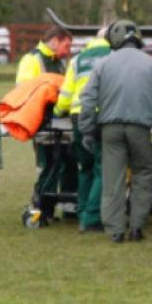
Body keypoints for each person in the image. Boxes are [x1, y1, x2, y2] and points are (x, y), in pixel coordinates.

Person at [78, 20, 152, 243]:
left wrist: (88, 130)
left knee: (113, 179)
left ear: (114, 40)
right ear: (138, 38)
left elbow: (88, 99)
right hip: (140, 127)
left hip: (109, 128)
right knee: (144, 173)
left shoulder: (102, 64)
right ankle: (137, 227)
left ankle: (115, 231)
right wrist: (151, 109)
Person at [53, 28, 111, 233]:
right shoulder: (112, 56)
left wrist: (58, 112)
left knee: (84, 167)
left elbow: (66, 93)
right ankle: (92, 218)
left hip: (78, 116)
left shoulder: (77, 60)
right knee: (102, 168)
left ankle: (82, 213)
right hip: (102, 115)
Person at [16, 25, 75, 217]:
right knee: (49, 164)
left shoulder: (59, 63)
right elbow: (23, 91)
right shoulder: (32, 60)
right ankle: (42, 208)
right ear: (55, 40)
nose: (69, 51)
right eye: (67, 45)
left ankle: (69, 207)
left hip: (61, 122)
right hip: (43, 124)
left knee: (68, 161)